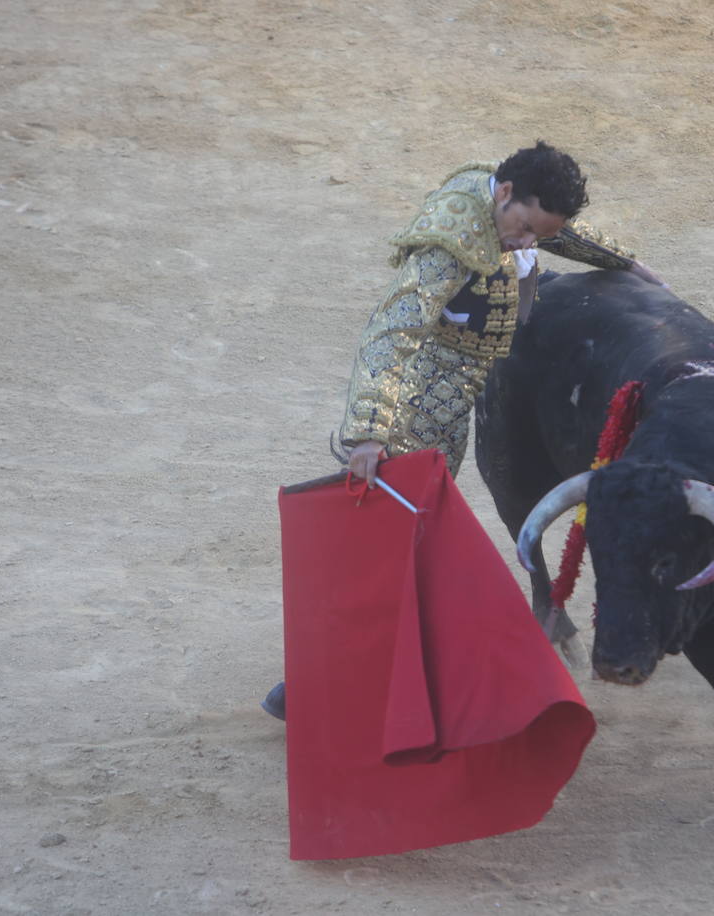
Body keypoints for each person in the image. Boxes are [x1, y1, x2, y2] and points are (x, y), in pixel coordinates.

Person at [263, 141, 663, 720]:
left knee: (406, 535)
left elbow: (554, 231)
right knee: (394, 534)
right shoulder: (445, 248)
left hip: (460, 381)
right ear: (504, 196)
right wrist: (374, 429)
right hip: (424, 393)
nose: (528, 243)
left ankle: (347, 670)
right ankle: (307, 685)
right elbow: (393, 329)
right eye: (523, 228)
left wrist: (624, 263)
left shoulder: (505, 199)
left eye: (536, 232)